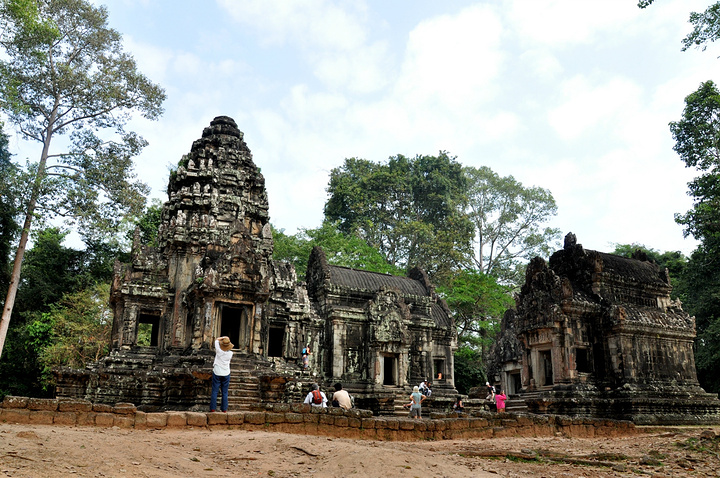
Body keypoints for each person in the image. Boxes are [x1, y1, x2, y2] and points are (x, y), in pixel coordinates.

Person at [210, 336, 234, 412]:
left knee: (214, 391)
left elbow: (216, 340)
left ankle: (213, 408)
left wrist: (223, 337)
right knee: (225, 392)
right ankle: (224, 409)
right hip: (226, 372)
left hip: (217, 371)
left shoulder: (218, 351)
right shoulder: (230, 353)